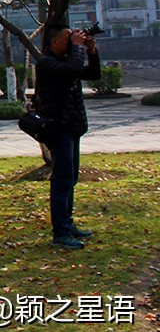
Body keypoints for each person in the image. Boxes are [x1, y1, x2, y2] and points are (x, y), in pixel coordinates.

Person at [34, 22, 100, 249]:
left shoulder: (65, 61)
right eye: (68, 38)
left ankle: (68, 224)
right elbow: (73, 70)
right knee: (62, 182)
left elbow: (93, 74)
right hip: (59, 128)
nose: (73, 41)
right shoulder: (47, 63)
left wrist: (90, 51)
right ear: (54, 42)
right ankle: (60, 233)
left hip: (72, 127)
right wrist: (79, 47)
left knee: (70, 180)